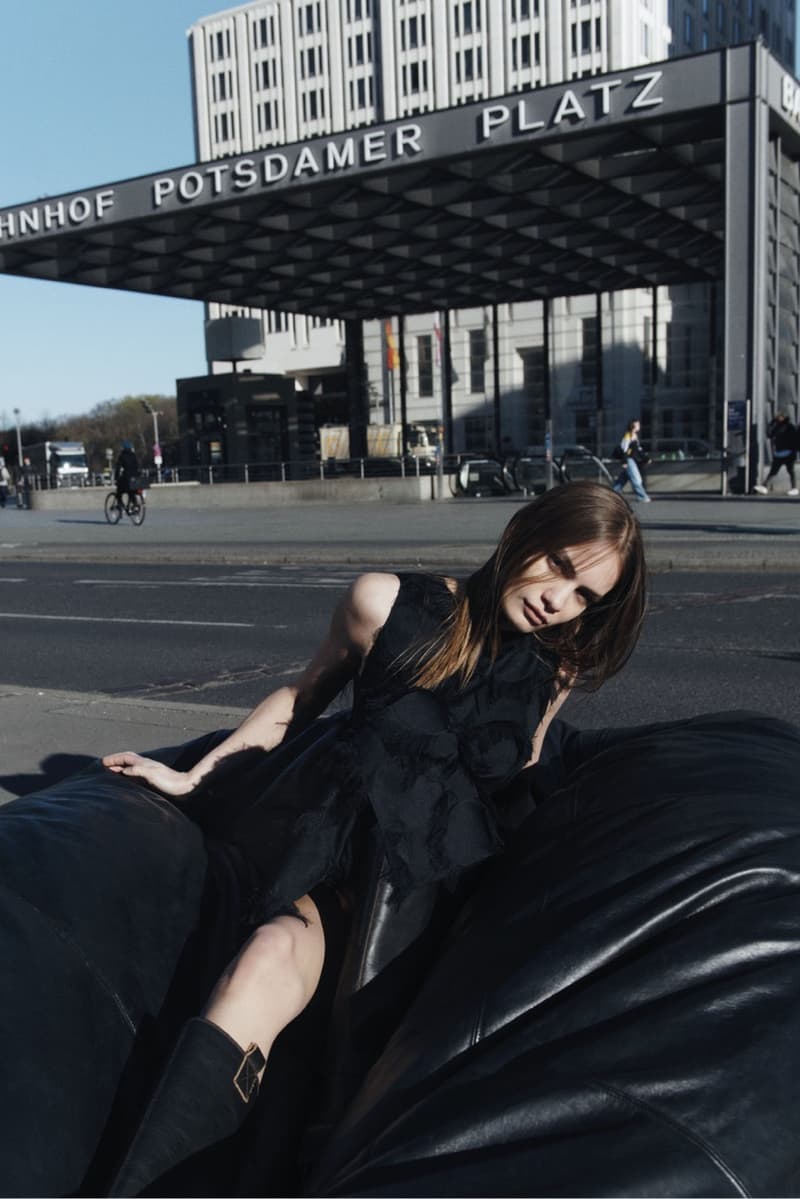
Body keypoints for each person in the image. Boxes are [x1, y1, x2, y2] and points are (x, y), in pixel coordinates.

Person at [101, 480, 646, 1193]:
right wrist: (193, 776)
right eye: (560, 565)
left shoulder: (556, 668)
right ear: (525, 530)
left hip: (442, 910)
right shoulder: (386, 603)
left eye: (584, 596)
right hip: (339, 868)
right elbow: (300, 701)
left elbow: (527, 770)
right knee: (262, 962)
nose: (559, 600)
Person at [753, 411, 798, 495]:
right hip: (779, 453)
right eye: (777, 416)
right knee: (773, 471)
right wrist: (771, 423)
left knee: (791, 470)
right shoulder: (777, 426)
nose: (778, 417)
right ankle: (764, 486)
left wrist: (794, 450)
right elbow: (769, 434)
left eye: (780, 416)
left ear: (784, 417)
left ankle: (794, 488)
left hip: (789, 452)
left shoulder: (790, 426)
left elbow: (795, 439)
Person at [612, 418, 651, 502]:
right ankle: (642, 497)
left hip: (631, 460)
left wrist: (646, 458)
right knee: (636, 479)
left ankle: (612, 494)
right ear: (633, 425)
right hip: (628, 461)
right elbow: (624, 449)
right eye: (638, 424)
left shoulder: (635, 436)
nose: (639, 426)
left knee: (622, 480)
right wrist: (624, 461)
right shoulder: (628, 435)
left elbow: (639, 450)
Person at [115, 439, 139, 508]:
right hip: (135, 476)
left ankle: (120, 503)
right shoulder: (133, 455)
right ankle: (134, 503)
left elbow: (118, 468)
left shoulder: (122, 456)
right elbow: (137, 465)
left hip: (127, 477)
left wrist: (116, 478)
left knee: (119, 489)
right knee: (131, 491)